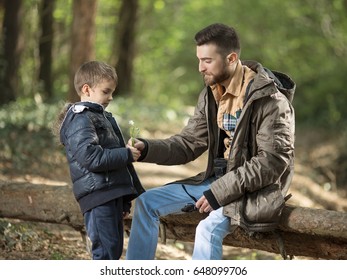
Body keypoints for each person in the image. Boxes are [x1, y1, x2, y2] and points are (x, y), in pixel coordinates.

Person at [126, 23, 295, 260]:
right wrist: (147, 149)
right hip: (217, 182)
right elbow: (188, 143)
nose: (199, 68)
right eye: (199, 60)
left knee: (206, 229)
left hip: (254, 190)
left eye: (207, 61)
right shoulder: (211, 93)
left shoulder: (271, 101)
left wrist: (220, 192)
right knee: (145, 203)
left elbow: (271, 163)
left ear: (231, 58)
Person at [58, 61, 145, 260]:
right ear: (86, 89)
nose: (111, 97)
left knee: (113, 248)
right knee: (105, 252)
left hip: (109, 194)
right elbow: (91, 157)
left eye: (112, 92)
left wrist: (123, 199)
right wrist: (126, 154)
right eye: (106, 91)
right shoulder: (80, 119)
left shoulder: (99, 116)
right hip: (98, 196)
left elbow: (112, 162)